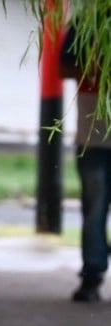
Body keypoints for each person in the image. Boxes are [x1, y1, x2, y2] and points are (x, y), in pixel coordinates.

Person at [61, 21, 111, 302]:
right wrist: (98, 68)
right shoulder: (86, 24)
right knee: (95, 209)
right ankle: (91, 277)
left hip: (92, 139)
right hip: (93, 138)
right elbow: (64, 67)